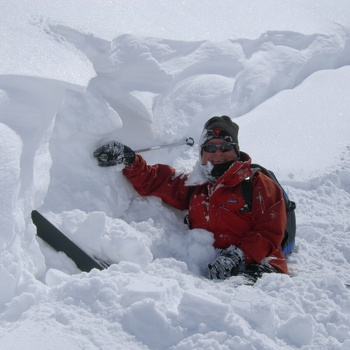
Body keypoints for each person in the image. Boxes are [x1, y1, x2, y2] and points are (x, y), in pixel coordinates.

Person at [93, 115, 288, 282]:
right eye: (211, 148)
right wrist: (130, 160)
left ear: (236, 152)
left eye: (225, 146)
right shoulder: (197, 186)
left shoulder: (257, 184)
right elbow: (157, 180)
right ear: (201, 153)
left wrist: (237, 258)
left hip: (259, 264)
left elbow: (269, 232)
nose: (218, 153)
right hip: (210, 268)